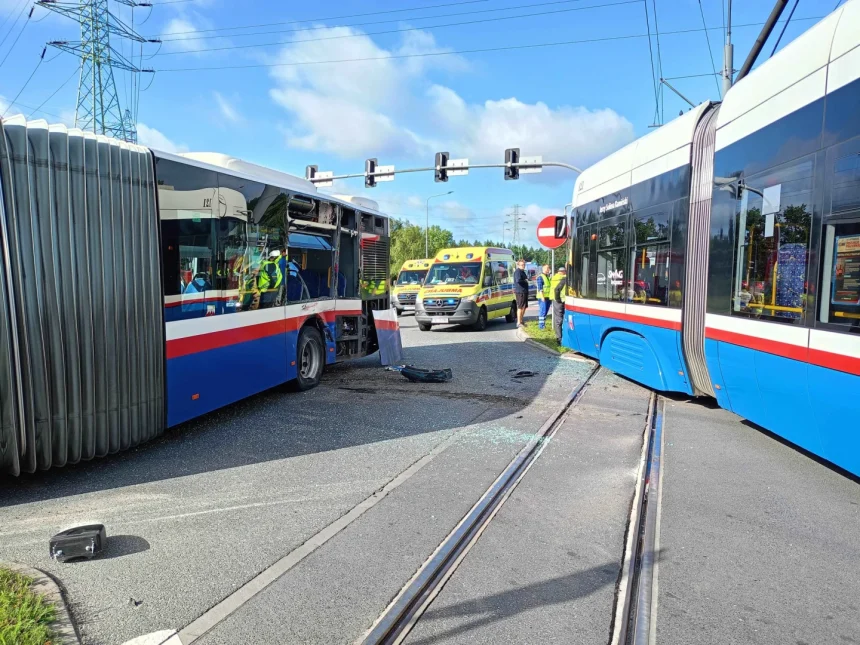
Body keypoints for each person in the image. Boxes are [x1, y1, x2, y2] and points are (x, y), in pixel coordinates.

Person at [551, 266, 567, 343]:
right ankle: (560, 339)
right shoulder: (564, 278)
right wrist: (559, 299)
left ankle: (558, 337)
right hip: (561, 300)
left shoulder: (554, 277)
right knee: (561, 319)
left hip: (555, 300)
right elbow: (557, 290)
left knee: (557, 319)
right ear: (564, 272)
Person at [513, 258, 530, 327]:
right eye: (522, 265)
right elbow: (518, 280)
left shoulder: (523, 271)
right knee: (520, 307)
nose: (523, 266)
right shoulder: (518, 272)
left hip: (524, 291)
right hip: (520, 292)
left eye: (524, 264)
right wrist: (525, 281)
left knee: (524, 307)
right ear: (518, 265)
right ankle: (519, 322)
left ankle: (521, 320)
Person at [536, 264, 551, 330]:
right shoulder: (540, 277)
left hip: (548, 297)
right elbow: (540, 288)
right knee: (543, 311)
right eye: (546, 268)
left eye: (548, 268)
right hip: (543, 297)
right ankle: (541, 326)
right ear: (543, 269)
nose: (548, 269)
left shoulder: (547, 277)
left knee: (545, 311)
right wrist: (542, 297)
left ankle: (543, 324)